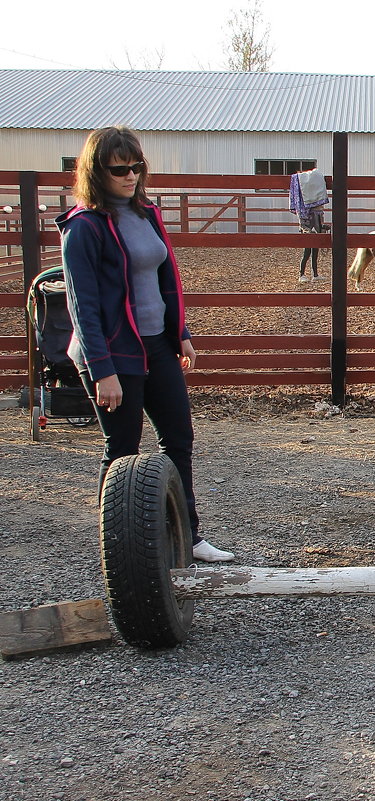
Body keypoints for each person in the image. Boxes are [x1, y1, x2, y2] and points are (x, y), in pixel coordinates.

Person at [56, 125, 234, 563]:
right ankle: (118, 550)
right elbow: (83, 305)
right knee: (122, 451)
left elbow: (163, 278)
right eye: (120, 169)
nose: (131, 176)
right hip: (112, 352)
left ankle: (189, 538)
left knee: (178, 439)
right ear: (97, 171)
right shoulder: (83, 228)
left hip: (156, 345)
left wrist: (182, 334)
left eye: (137, 167)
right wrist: (103, 369)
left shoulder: (146, 214)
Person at [297, 206, 328, 283]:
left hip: (315, 235)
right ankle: (301, 274)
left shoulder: (318, 214)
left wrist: (324, 228)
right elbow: (302, 225)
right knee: (306, 254)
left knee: (315, 255)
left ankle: (315, 274)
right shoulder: (304, 213)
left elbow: (320, 225)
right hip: (308, 235)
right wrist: (307, 231)